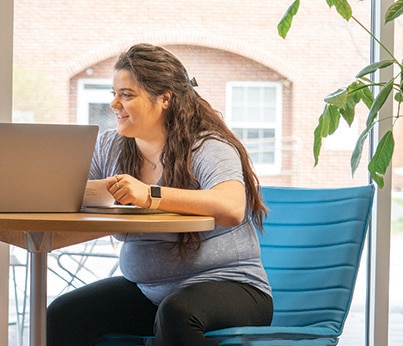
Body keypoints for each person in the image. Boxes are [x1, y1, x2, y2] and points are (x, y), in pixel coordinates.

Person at [46, 43, 273, 345]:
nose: (115, 104)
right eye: (113, 94)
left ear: (164, 98)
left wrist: (149, 194)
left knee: (176, 313)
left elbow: (231, 207)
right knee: (62, 314)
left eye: (127, 95)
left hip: (233, 287)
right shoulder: (109, 147)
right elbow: (69, 197)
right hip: (150, 292)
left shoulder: (207, 147)